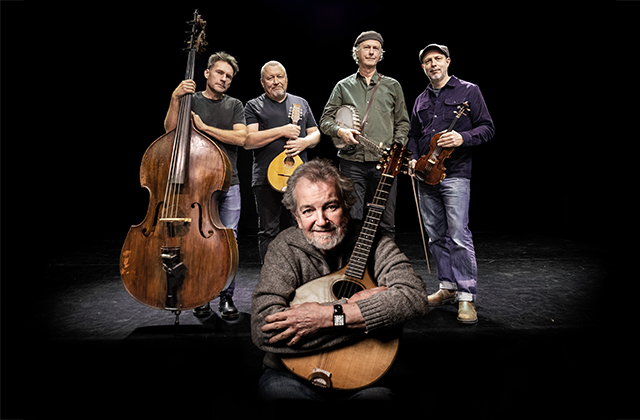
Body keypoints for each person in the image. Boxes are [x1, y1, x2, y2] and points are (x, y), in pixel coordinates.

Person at [251, 159, 428, 401]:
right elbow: (263, 329)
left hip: (366, 375)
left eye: (331, 206)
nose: (321, 221)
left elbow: (413, 297)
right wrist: (363, 316)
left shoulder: (377, 242)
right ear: (296, 216)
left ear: (346, 205)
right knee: (282, 398)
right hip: (290, 373)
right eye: (308, 210)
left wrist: (324, 318)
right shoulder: (284, 248)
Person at [407, 44, 495, 324]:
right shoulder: (420, 99)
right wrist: (411, 158)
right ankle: (447, 287)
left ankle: (466, 296)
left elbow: (487, 127)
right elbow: (412, 134)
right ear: (423, 67)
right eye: (427, 61)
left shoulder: (469, 91)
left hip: (455, 173)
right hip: (424, 175)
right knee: (435, 235)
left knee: (458, 234)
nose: (433, 64)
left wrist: (462, 138)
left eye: (437, 59)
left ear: (447, 61)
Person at [164, 51, 247, 320]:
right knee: (198, 244)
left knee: (228, 242)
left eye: (229, 77)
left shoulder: (235, 105)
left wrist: (205, 128)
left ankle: (226, 297)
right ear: (207, 73)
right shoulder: (191, 100)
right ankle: (202, 297)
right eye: (220, 73)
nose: (224, 79)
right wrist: (175, 97)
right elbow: (169, 132)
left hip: (228, 183)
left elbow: (241, 138)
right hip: (196, 186)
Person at [319, 30, 410, 238]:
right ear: (357, 53)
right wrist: (340, 131)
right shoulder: (343, 86)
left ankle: (385, 268)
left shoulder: (392, 86)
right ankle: (355, 269)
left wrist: (396, 150)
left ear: (380, 54)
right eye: (366, 48)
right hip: (352, 163)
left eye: (375, 48)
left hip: (385, 162)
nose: (371, 52)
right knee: (353, 220)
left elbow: (402, 123)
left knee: (386, 222)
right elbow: (324, 121)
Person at [244, 61, 320, 263]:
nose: (276, 81)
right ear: (262, 82)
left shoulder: (300, 103)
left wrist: (304, 142)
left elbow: (316, 134)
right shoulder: (253, 105)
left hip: (298, 178)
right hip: (265, 178)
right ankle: (271, 278)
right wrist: (282, 130)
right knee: (269, 230)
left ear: (286, 79)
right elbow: (249, 141)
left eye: (280, 77)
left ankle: (303, 273)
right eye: (270, 78)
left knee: (302, 226)